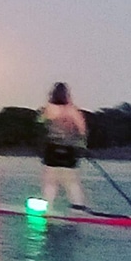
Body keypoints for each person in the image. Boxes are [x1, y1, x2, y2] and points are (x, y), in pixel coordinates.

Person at [39, 82, 89, 211]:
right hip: (69, 150)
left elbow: (40, 123)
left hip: (52, 149)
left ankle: (48, 207)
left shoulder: (48, 109)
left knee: (50, 181)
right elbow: (82, 130)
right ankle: (78, 207)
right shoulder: (73, 110)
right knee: (71, 181)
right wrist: (82, 146)